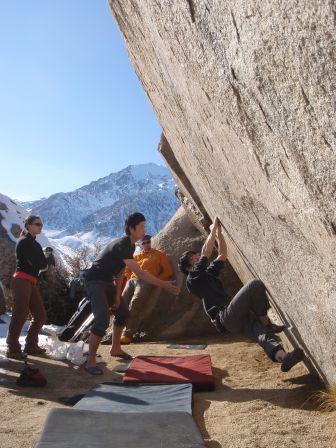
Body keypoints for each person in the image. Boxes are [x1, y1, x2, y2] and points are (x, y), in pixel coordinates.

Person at [178, 217, 304, 373]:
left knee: (261, 334)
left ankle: (283, 358)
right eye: (192, 258)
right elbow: (206, 252)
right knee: (254, 285)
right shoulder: (193, 278)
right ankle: (265, 321)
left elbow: (222, 255)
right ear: (188, 268)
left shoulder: (206, 274)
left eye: (194, 255)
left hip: (233, 317)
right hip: (225, 316)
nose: (196, 256)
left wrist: (218, 234)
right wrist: (212, 229)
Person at [84, 212, 179, 375]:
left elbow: (121, 272)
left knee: (122, 313)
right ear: (131, 229)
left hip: (107, 282)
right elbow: (141, 274)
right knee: (101, 320)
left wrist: (116, 296)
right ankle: (90, 361)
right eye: (141, 226)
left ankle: (116, 349)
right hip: (94, 281)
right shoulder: (122, 244)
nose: (144, 230)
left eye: (144, 226)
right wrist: (164, 284)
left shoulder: (130, 246)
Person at [6, 215, 47, 359]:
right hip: (22, 280)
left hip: (30, 281)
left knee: (40, 315)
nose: (40, 227)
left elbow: (41, 263)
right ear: (28, 225)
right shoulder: (24, 242)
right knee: (20, 313)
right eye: (37, 224)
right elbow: (40, 263)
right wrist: (42, 261)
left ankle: (31, 345)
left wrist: (41, 262)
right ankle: (13, 347)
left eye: (41, 224)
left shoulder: (34, 243)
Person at [120, 234, 173, 344]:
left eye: (148, 242)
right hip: (132, 281)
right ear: (140, 245)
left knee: (135, 303)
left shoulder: (159, 254)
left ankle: (127, 334)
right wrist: (130, 278)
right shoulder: (136, 256)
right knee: (122, 302)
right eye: (143, 243)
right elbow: (127, 270)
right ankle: (115, 331)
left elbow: (168, 271)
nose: (146, 244)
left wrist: (155, 280)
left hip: (146, 282)